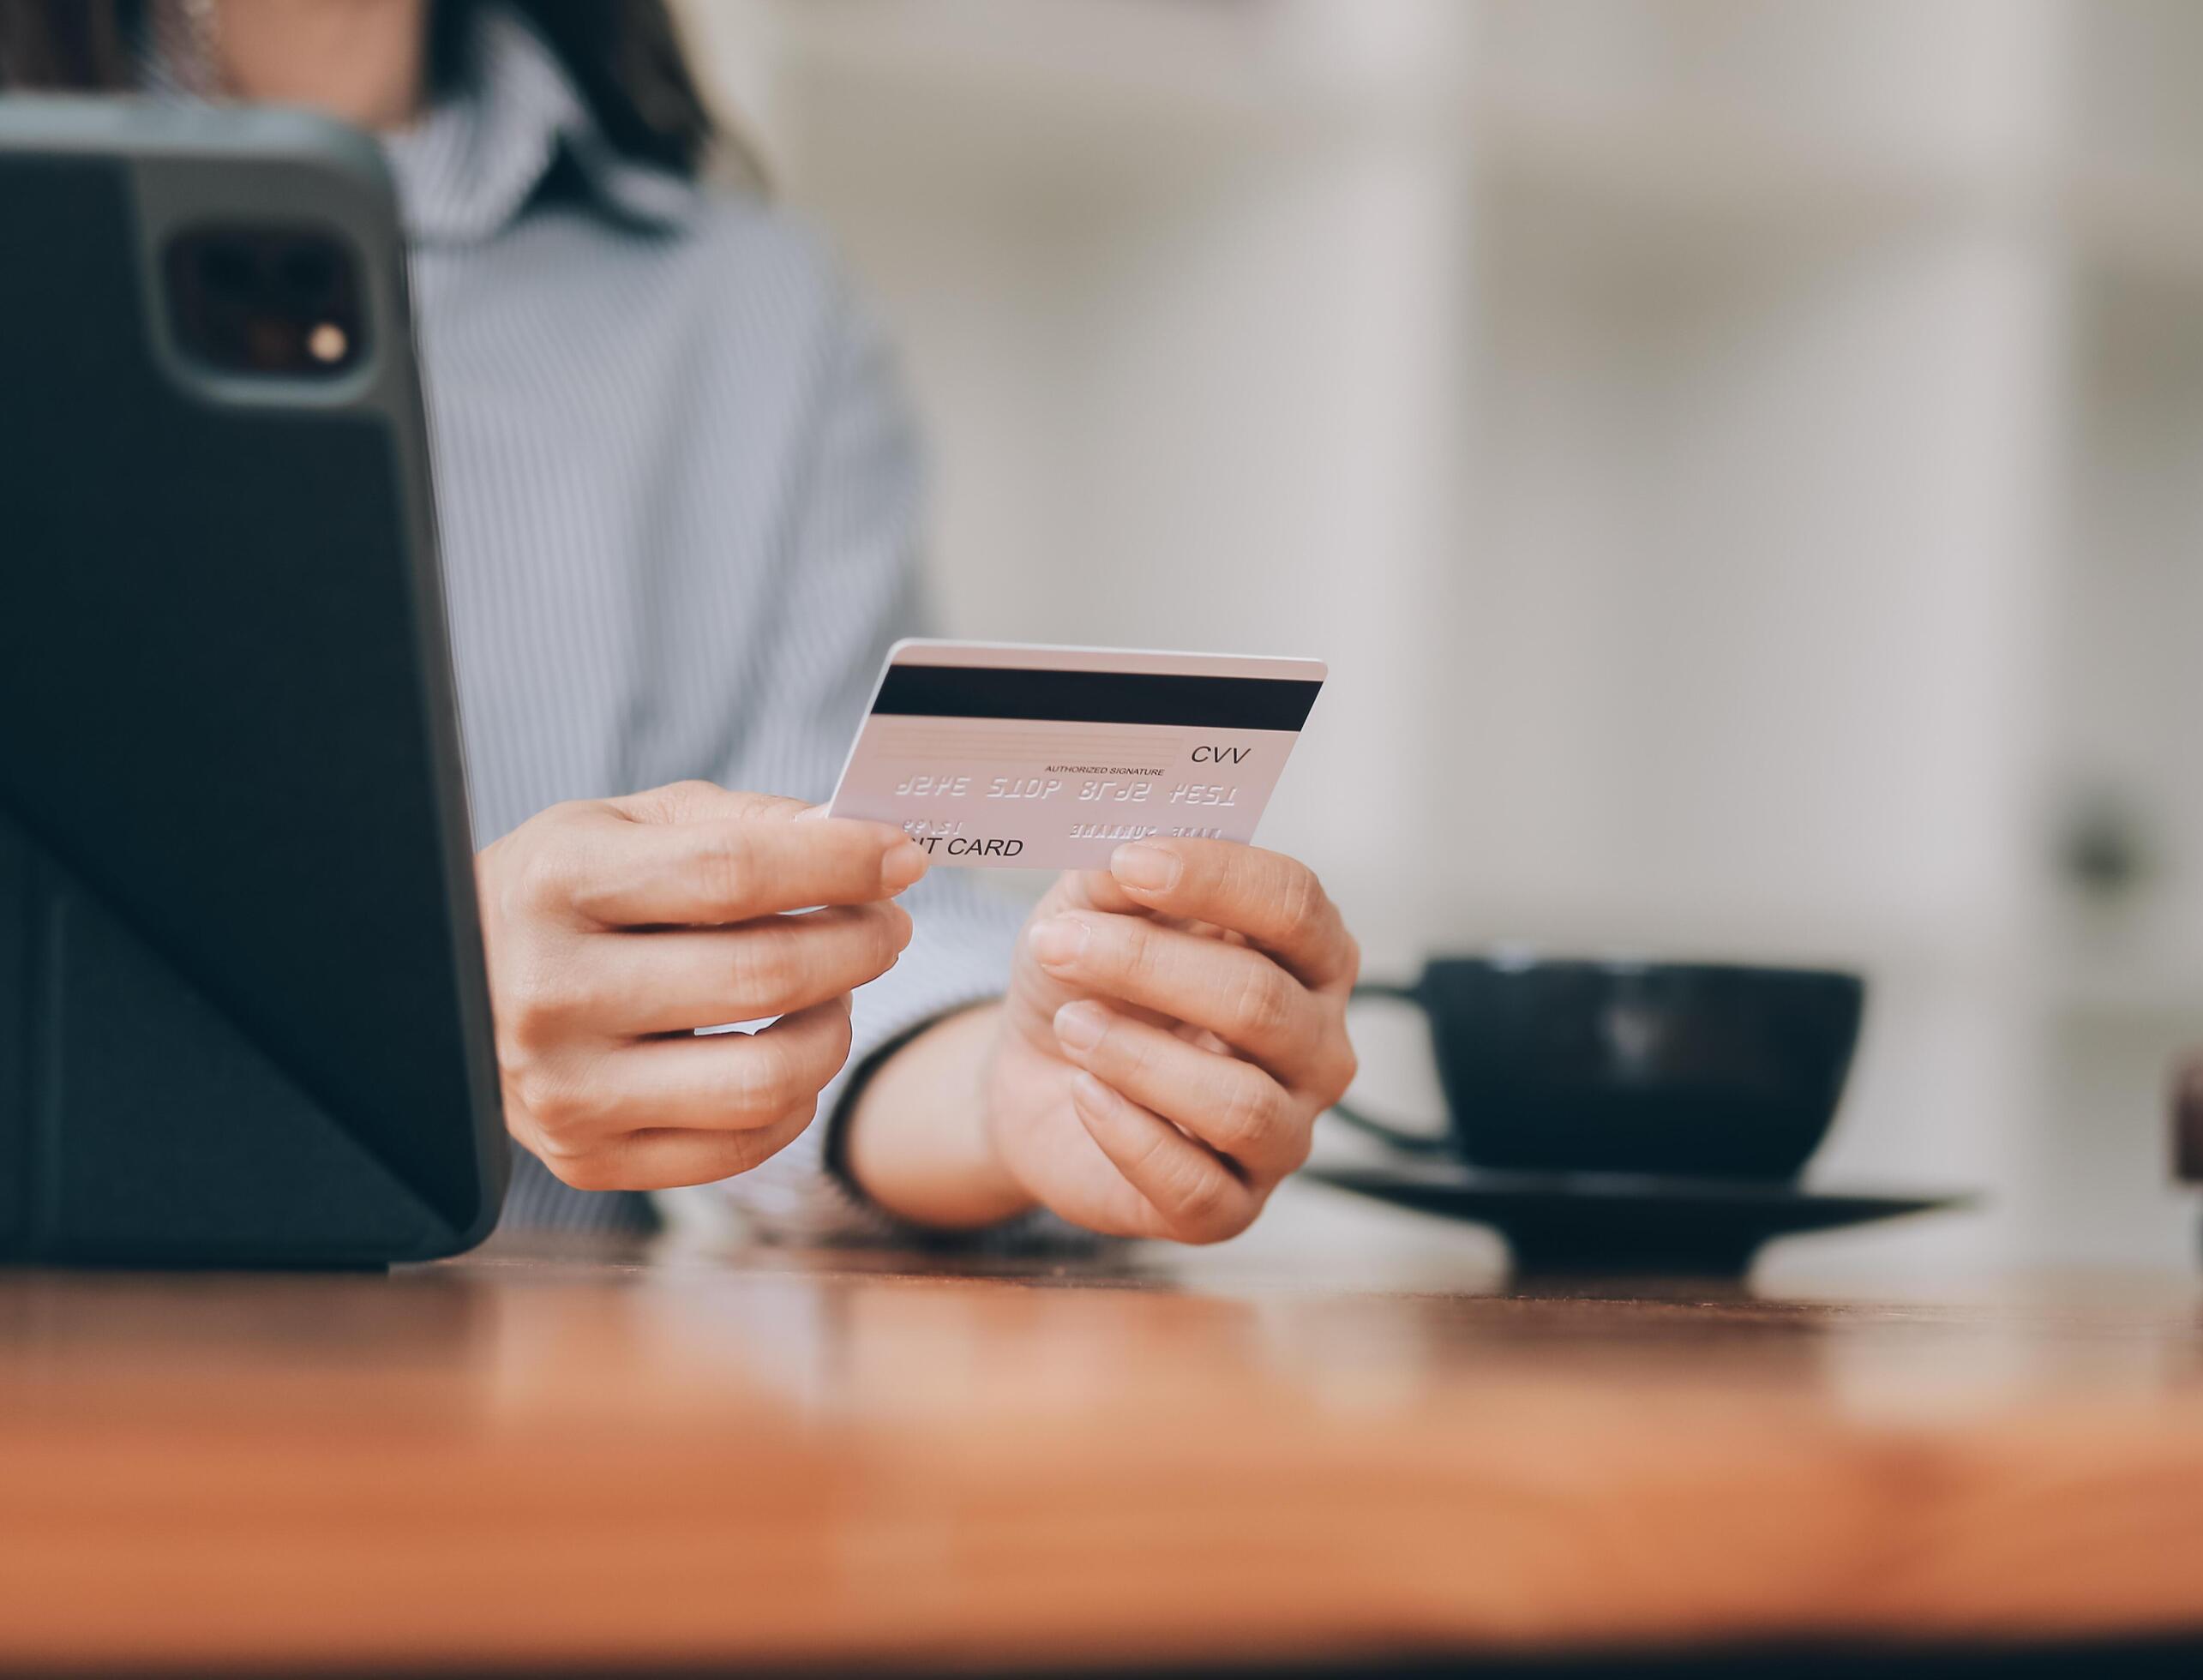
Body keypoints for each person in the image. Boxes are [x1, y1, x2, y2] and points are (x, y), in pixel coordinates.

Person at [0, 0, 1360, 1244]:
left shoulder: (755, 312)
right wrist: (411, 1002)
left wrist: (1012, 1092)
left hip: (543, 1438)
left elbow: (850, 923)